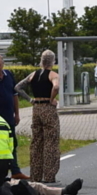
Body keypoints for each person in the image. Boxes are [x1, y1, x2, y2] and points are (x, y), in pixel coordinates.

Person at [17, 50, 61, 183]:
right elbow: (56, 87)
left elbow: (18, 87)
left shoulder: (33, 75)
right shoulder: (53, 75)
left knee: (36, 142)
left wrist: (30, 100)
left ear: (41, 61)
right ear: (53, 61)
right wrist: (51, 99)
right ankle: (49, 176)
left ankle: (35, 175)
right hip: (48, 108)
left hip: (36, 108)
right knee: (51, 142)